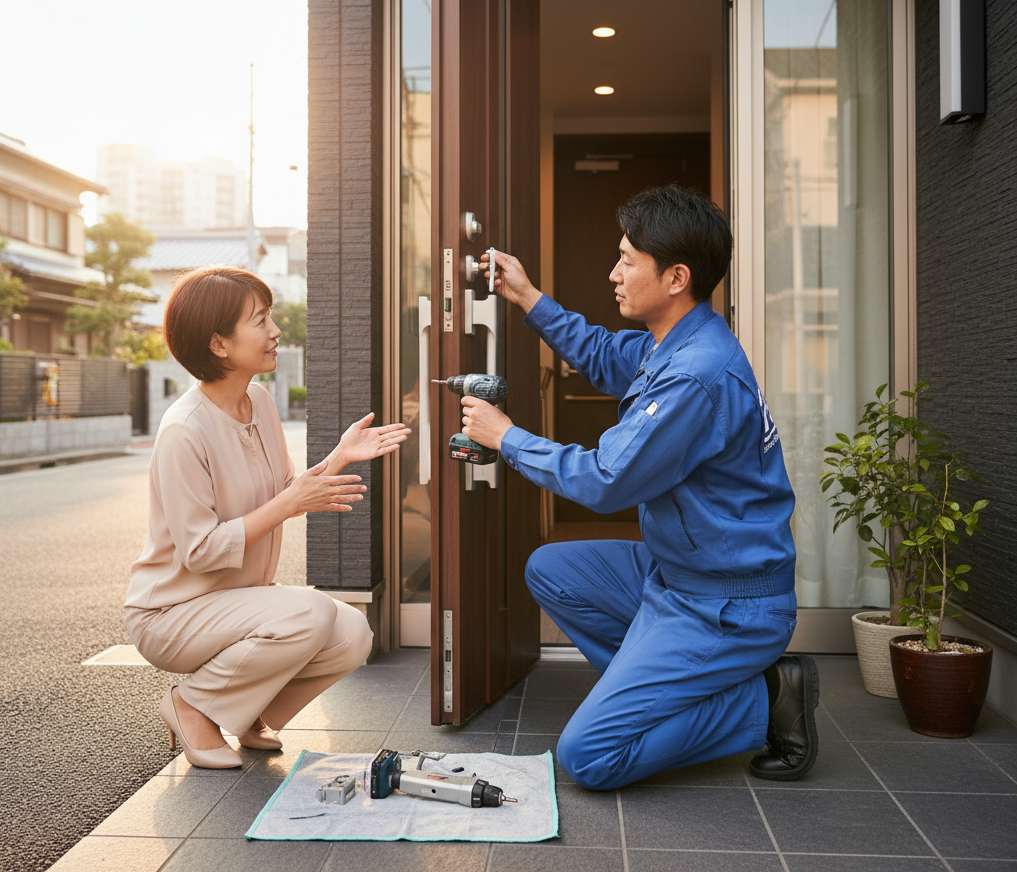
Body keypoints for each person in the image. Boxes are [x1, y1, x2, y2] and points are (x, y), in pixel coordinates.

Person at [461, 185, 818, 790]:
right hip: (674, 575)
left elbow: (606, 479)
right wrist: (525, 295)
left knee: (589, 756)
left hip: (727, 606)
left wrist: (507, 437)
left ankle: (765, 697)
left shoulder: (696, 374)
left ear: (676, 278)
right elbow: (603, 354)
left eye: (628, 260)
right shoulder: (676, 340)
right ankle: (660, 689)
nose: (614, 273)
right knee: (551, 569)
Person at [125, 266, 409, 769]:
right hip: (172, 614)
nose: (275, 331)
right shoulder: (183, 431)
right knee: (311, 612)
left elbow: (282, 492)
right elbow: (201, 551)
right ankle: (192, 706)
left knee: (352, 634)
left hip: (232, 603)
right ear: (218, 344)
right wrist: (292, 501)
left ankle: (242, 710)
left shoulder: (258, 400)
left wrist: (340, 456)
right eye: (260, 320)